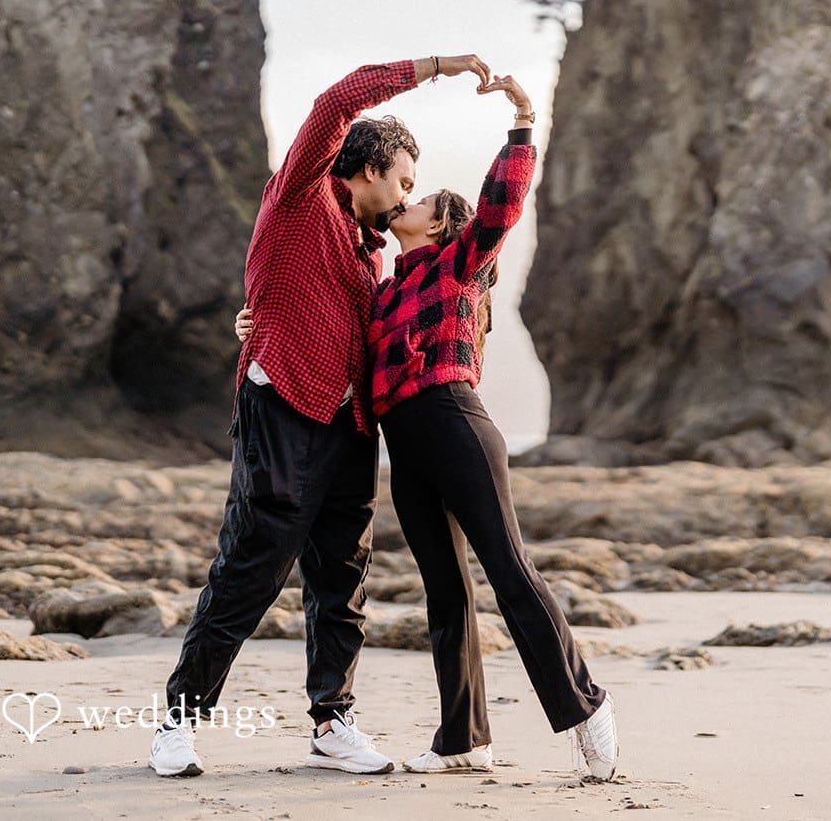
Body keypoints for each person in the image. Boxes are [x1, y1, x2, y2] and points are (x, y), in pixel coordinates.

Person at [234, 74, 619, 781]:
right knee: (444, 589)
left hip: (453, 424)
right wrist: (256, 323)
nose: (407, 199)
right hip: (403, 445)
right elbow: (320, 318)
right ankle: (463, 739)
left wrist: (523, 122)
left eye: (422, 197)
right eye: (405, 189)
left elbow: (501, 207)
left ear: (443, 225)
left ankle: (586, 706)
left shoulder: (457, 264)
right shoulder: (382, 285)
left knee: (507, 569)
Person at [151, 53, 493, 779]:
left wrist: (260, 314)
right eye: (403, 178)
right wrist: (439, 65)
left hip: (350, 426)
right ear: (366, 166)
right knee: (253, 560)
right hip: (281, 403)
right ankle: (179, 721)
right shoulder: (301, 197)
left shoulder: (375, 255)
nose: (406, 193)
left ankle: (331, 724)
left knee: (343, 575)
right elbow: (342, 97)